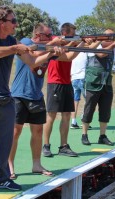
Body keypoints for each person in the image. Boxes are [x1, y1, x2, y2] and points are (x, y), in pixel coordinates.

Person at [0, 6, 62, 194]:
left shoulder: (12, 41)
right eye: (13, 21)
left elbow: (33, 62)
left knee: (5, 141)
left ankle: (2, 178)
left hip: (6, 98)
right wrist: (15, 48)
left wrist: (51, 53)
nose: (16, 24)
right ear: (2, 22)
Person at [8, 23, 56, 180]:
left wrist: (77, 44)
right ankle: (9, 165)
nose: (51, 38)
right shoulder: (26, 42)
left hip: (36, 95)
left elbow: (67, 56)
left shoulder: (47, 48)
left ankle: (36, 164)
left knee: (38, 131)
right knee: (15, 132)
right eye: (49, 35)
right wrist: (51, 49)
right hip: (19, 95)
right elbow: (33, 57)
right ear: (39, 35)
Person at [42, 23, 93, 157]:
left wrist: (86, 42)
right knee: (51, 116)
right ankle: (46, 145)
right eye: (71, 34)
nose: (73, 37)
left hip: (67, 82)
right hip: (55, 82)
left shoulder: (70, 44)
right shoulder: (55, 42)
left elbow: (88, 47)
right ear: (64, 32)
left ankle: (63, 146)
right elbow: (70, 56)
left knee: (66, 116)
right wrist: (81, 43)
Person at [70, 52, 90, 129]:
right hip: (83, 77)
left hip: (74, 78)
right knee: (87, 100)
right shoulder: (85, 53)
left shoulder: (73, 53)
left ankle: (73, 121)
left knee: (75, 100)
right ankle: (84, 120)